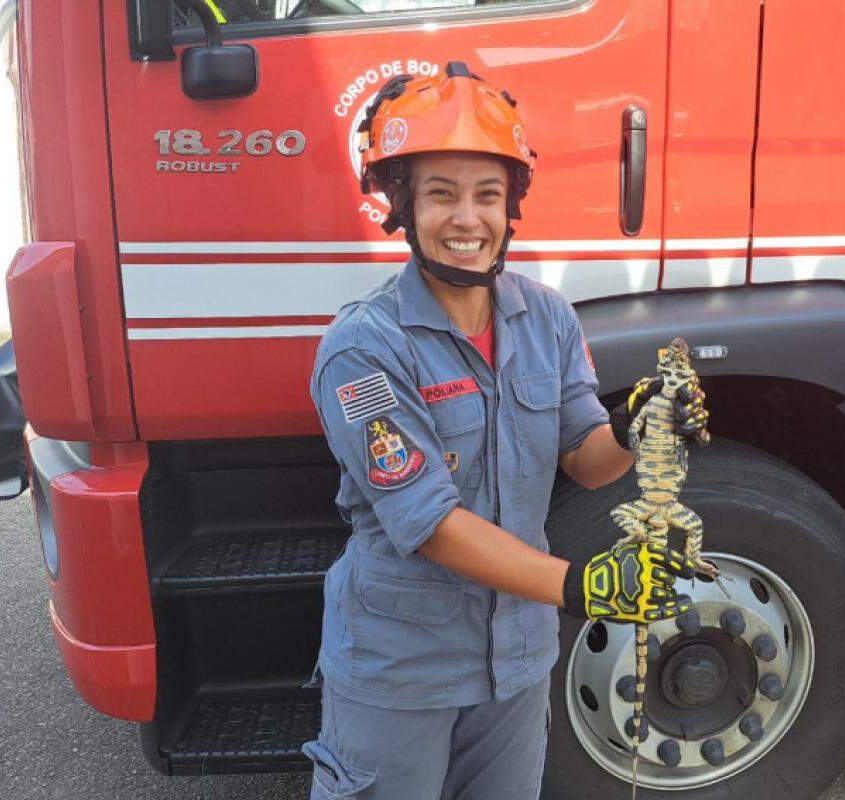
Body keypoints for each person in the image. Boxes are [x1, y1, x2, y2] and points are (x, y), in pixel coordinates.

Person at [303, 62, 710, 800]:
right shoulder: (364, 349)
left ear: (511, 206)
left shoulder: (546, 317)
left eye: (487, 194)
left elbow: (587, 461)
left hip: (517, 659)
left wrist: (637, 427)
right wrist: (582, 585)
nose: (468, 219)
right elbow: (429, 523)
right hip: (402, 670)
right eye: (441, 195)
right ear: (401, 207)